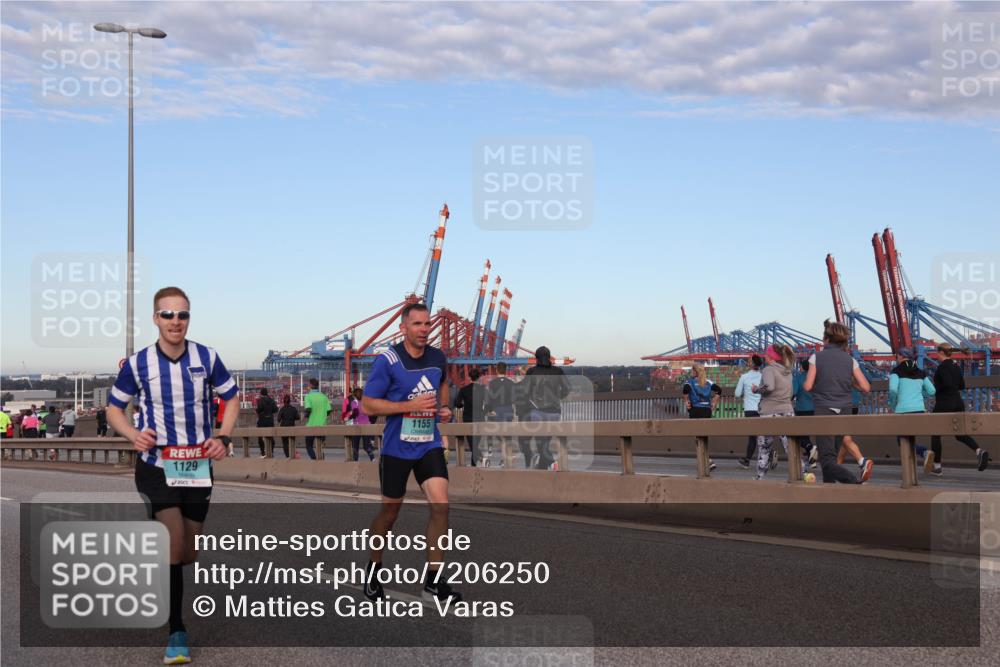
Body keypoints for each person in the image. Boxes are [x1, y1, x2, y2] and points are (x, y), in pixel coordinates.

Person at [105, 286, 239, 665]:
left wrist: (224, 436)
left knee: (188, 552)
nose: (175, 322)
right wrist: (132, 434)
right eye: (168, 315)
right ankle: (176, 632)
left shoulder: (207, 357)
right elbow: (115, 409)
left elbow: (232, 398)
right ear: (155, 318)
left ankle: (160, 560)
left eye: (182, 315)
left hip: (197, 465)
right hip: (155, 467)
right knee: (175, 545)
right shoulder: (138, 364)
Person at [361, 302, 462, 605]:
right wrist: (410, 406)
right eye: (417, 324)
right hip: (396, 447)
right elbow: (368, 405)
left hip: (428, 442)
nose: (423, 330)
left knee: (441, 505)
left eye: (427, 324)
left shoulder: (437, 357)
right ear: (403, 328)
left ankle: (432, 581)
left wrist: (443, 407)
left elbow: (442, 383)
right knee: (390, 513)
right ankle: (373, 571)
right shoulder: (388, 360)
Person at [803, 320, 873, 484]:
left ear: (826, 339)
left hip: (824, 410)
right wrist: (849, 383)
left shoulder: (816, 357)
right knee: (832, 457)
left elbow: (807, 386)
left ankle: (854, 482)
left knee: (827, 460)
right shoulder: (850, 360)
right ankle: (830, 494)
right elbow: (865, 387)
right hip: (845, 410)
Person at [929, 343, 989, 474]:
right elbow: (961, 385)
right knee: (960, 433)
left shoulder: (941, 368)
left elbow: (947, 384)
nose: (936, 356)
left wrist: (937, 389)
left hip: (944, 403)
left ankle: (937, 467)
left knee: (935, 434)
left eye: (937, 353)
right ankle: (979, 451)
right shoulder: (956, 367)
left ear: (941, 353)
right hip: (958, 402)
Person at [752, 345, 801, 479]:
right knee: (790, 446)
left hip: (769, 412)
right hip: (788, 411)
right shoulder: (788, 371)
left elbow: (769, 387)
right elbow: (790, 393)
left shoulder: (768, 370)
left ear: (771, 357)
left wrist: (756, 389)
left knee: (764, 447)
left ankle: (760, 478)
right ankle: (801, 473)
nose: (765, 357)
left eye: (766, 355)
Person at [519, 346, 570, 470]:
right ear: (549, 357)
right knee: (546, 441)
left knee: (541, 442)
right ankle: (542, 468)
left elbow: (524, 392)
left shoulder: (531, 372)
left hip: (537, 411)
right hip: (555, 411)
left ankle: (552, 462)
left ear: (536, 358)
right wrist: (558, 396)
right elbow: (567, 388)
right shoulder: (558, 371)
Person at [888, 346, 937, 474]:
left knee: (902, 440)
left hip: (902, 411)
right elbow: (932, 391)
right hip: (919, 411)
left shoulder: (896, 371)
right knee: (910, 439)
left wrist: (892, 404)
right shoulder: (920, 372)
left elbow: (893, 390)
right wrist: (921, 395)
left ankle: (923, 453)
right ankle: (913, 469)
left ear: (900, 356)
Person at [682, 363, 721, 471]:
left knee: (697, 437)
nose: (691, 372)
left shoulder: (690, 382)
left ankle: (708, 461)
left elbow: (685, 390)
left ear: (695, 371)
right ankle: (706, 460)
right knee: (704, 436)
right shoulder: (708, 382)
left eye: (692, 370)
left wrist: (686, 402)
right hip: (707, 411)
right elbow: (719, 390)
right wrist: (715, 402)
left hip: (695, 411)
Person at [484, 362, 516, 467]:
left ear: (497, 370)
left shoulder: (492, 383)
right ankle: (507, 457)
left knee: (500, 435)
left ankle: (503, 459)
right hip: (508, 409)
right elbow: (514, 398)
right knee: (507, 435)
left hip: (497, 410)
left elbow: (489, 398)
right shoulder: (511, 383)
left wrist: (489, 409)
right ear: (505, 370)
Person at [734, 355, 763, 469]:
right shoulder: (763, 376)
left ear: (751, 364)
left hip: (750, 410)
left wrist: (744, 395)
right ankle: (765, 459)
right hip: (762, 409)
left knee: (752, 437)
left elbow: (737, 393)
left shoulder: (744, 377)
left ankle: (747, 460)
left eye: (749, 361)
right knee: (763, 436)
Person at [454, 367, 484, 466]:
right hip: (480, 417)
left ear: (469, 377)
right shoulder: (483, 389)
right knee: (476, 444)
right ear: (479, 377)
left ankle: (474, 465)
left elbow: (457, 403)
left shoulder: (463, 390)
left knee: (472, 444)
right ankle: (477, 462)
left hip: (468, 417)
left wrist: (463, 405)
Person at [792, 359, 817, 469]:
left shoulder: (798, 377)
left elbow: (793, 392)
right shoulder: (815, 377)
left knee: (800, 435)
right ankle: (812, 460)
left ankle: (810, 448)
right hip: (815, 409)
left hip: (801, 409)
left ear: (802, 367)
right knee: (810, 434)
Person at [303, 378, 331, 459]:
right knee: (320, 446)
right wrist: (323, 416)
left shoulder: (308, 396)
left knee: (309, 445)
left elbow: (308, 409)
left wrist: (305, 416)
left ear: (311, 385)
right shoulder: (324, 397)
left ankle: (315, 460)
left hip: (311, 425)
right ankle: (321, 460)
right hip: (322, 424)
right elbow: (329, 410)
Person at [351, 387, 376, 462]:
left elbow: (355, 413)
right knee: (366, 446)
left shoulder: (354, 403)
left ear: (354, 395)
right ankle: (372, 458)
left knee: (355, 446)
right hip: (366, 425)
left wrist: (349, 417)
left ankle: (355, 461)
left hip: (357, 426)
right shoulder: (365, 403)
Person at [255, 387, 278, 458]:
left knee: (260, 437)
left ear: (261, 393)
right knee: (270, 437)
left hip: (262, 421)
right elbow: (275, 409)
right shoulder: (271, 400)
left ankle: (263, 452)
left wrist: (257, 411)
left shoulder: (260, 401)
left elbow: (258, 410)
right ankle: (271, 451)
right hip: (270, 420)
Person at [276, 394, 300, 458]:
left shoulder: (282, 409)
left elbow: (278, 420)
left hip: (283, 428)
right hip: (291, 427)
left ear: (284, 401)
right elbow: (298, 417)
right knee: (292, 442)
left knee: (285, 443)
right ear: (290, 401)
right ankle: (292, 455)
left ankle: (287, 455)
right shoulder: (293, 409)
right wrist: (292, 418)